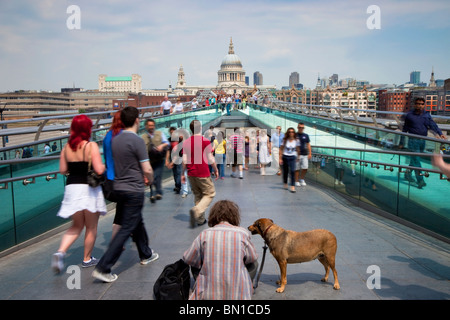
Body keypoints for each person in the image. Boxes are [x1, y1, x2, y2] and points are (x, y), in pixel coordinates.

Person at [92, 106, 158, 283]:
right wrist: (150, 179)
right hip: (134, 189)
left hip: (119, 187)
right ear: (137, 120)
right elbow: (147, 168)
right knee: (127, 226)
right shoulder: (136, 140)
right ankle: (104, 267)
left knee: (136, 221)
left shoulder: (115, 139)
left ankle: (146, 253)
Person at [52, 114, 106, 274]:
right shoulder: (91, 146)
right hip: (88, 188)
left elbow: (62, 170)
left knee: (76, 225)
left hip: (71, 188)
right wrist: (103, 167)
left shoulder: (66, 147)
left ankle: (60, 252)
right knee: (91, 226)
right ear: (87, 128)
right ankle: (87, 259)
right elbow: (98, 169)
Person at [182, 200, 258, 300]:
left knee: (195, 262)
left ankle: (204, 286)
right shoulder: (242, 233)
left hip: (208, 295)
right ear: (234, 216)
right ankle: (243, 286)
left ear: (213, 216)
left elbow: (188, 258)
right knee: (254, 264)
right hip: (238, 296)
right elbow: (252, 258)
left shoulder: (205, 234)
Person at [400, 97, 446, 189]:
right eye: (418, 103)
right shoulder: (409, 115)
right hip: (413, 140)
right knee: (416, 160)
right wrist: (401, 142)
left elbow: (432, 125)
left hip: (423, 141)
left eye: (421, 104)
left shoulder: (426, 115)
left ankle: (407, 174)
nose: (419, 105)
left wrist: (440, 133)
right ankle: (420, 180)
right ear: (414, 104)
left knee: (415, 159)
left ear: (424, 105)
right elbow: (404, 130)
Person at [182, 120, 218, 227]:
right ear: (200, 128)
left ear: (191, 129)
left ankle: (201, 220)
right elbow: (210, 158)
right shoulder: (205, 141)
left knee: (198, 195)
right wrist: (215, 169)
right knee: (210, 193)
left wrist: (182, 174)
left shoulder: (186, 142)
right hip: (202, 172)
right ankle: (196, 211)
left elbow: (184, 160)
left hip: (191, 173)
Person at [102, 111, 124, 239]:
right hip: (123, 178)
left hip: (110, 180)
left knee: (121, 208)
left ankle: (122, 235)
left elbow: (106, 158)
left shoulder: (107, 136)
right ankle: (117, 238)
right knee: (126, 208)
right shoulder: (125, 136)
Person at [141, 119, 169, 202]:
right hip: (149, 160)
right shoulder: (143, 137)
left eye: (152, 125)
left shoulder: (160, 134)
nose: (151, 127)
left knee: (156, 175)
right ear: (146, 126)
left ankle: (157, 192)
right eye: (149, 125)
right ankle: (153, 193)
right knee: (151, 175)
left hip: (159, 159)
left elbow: (167, 143)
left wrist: (161, 146)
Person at [280, 127, 300, 193]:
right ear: (288, 133)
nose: (291, 133)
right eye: (290, 132)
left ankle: (292, 186)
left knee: (292, 171)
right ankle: (285, 182)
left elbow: (298, 149)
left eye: (292, 132)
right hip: (285, 156)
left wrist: (298, 157)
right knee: (285, 171)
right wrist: (280, 158)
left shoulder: (296, 140)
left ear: (294, 133)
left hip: (292, 157)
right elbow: (281, 148)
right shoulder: (285, 140)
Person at [166, 127, 182, 194]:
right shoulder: (169, 140)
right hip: (172, 158)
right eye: (171, 132)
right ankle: (177, 185)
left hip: (179, 157)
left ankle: (178, 186)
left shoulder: (179, 139)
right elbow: (168, 151)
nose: (172, 134)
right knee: (175, 172)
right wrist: (166, 160)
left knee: (178, 172)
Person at [295, 122, 311, 186]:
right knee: (297, 168)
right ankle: (296, 180)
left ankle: (301, 179)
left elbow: (308, 144)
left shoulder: (306, 135)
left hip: (304, 154)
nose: (301, 128)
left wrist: (310, 153)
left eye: (302, 128)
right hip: (297, 154)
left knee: (305, 168)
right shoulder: (294, 135)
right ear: (297, 127)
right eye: (300, 127)